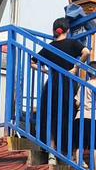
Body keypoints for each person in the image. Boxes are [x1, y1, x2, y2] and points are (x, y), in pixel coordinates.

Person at [37, 18, 90, 161]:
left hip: (52, 84)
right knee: (69, 116)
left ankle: (51, 153)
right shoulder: (73, 43)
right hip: (67, 83)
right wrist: (76, 67)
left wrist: (46, 71)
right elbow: (86, 52)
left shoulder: (49, 46)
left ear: (54, 30)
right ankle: (70, 154)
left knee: (51, 116)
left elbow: (33, 62)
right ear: (68, 30)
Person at [73, 60, 96, 170]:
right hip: (92, 117)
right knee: (94, 146)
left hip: (80, 116)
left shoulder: (83, 85)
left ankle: (78, 168)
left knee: (80, 145)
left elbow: (77, 103)